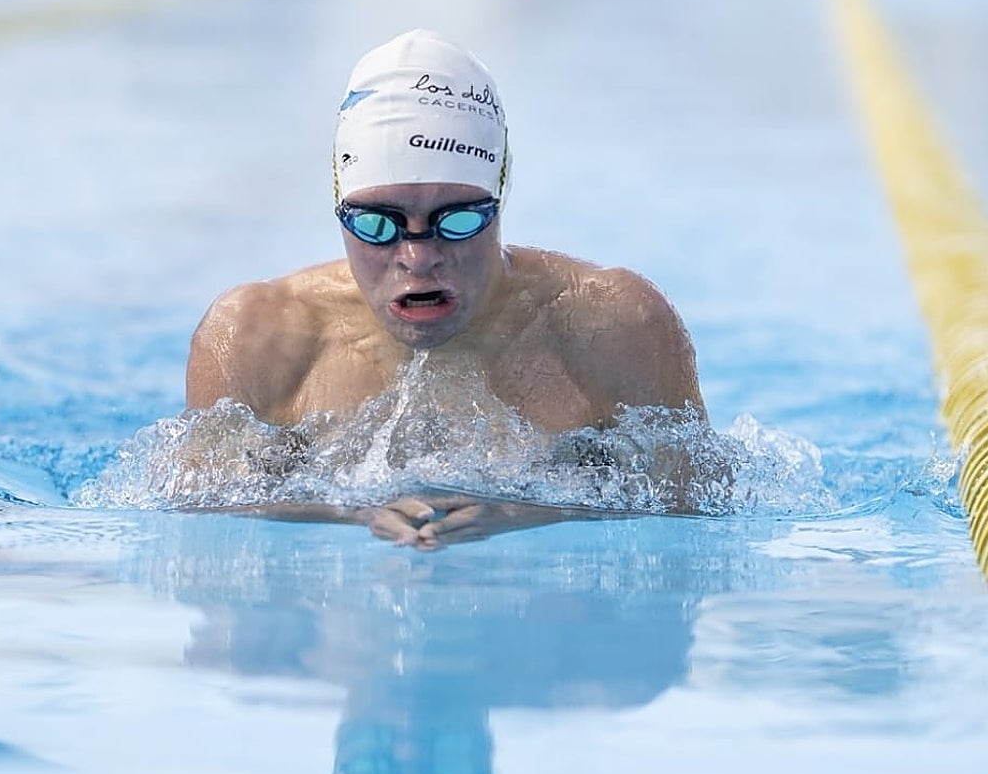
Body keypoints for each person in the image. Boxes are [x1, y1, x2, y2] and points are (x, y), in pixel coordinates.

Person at [186, 29, 705, 548]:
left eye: (456, 220)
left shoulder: (613, 327)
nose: (418, 257)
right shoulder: (258, 337)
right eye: (377, 224)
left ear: (499, 199)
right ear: (339, 207)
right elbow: (202, 511)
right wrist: (346, 513)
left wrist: (536, 514)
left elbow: (698, 506)